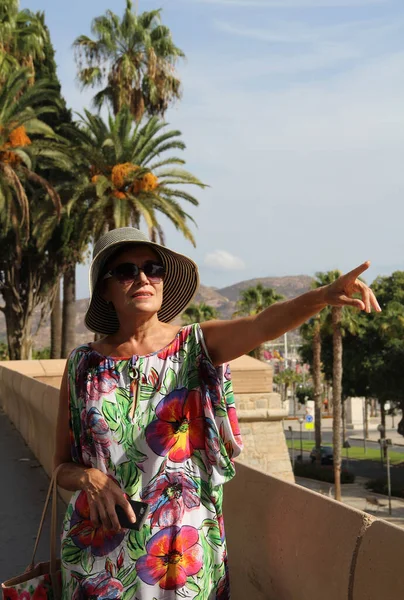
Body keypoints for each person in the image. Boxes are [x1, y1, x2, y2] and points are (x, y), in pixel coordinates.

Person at [54, 227, 380, 599]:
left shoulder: (194, 347)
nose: (143, 278)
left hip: (180, 552)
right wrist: (89, 479)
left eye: (153, 268)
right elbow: (61, 465)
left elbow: (261, 325)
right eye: (126, 271)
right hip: (100, 555)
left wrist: (321, 297)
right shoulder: (82, 366)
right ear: (106, 291)